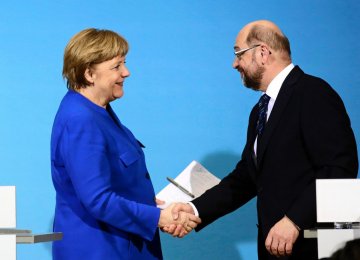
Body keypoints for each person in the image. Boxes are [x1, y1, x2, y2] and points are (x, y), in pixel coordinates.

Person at [167, 20, 358, 259]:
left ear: (263, 52)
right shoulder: (260, 110)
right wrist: (194, 209)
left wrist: (294, 221)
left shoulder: (313, 93)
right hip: (274, 250)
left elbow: (339, 168)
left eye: (238, 53)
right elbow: (245, 178)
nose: (234, 63)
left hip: (316, 247)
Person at [51, 28, 201, 260]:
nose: (127, 72)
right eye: (116, 66)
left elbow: (115, 182)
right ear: (89, 73)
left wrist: (155, 208)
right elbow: (98, 199)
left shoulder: (97, 112)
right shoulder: (81, 120)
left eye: (124, 63)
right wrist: (158, 217)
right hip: (103, 250)